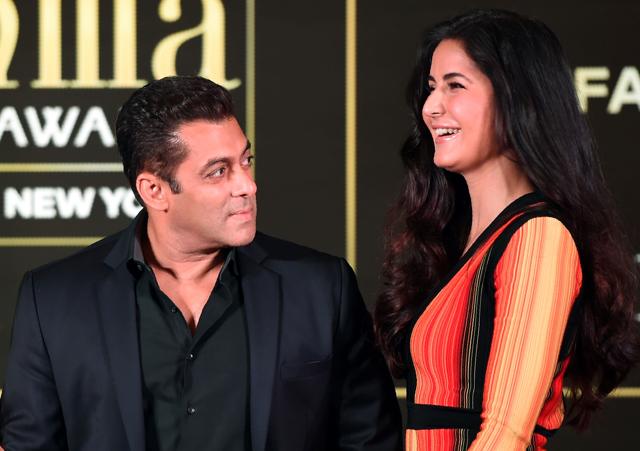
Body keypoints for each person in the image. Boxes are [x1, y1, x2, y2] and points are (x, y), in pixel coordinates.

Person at [0, 76, 402, 451]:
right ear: (154, 190)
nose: (247, 185)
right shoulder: (52, 300)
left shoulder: (321, 287)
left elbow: (370, 441)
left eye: (246, 161)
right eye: (218, 172)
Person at [375, 9, 639, 451]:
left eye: (455, 86)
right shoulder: (465, 244)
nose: (431, 107)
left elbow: (506, 434)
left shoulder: (537, 239)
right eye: (431, 87)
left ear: (516, 98)